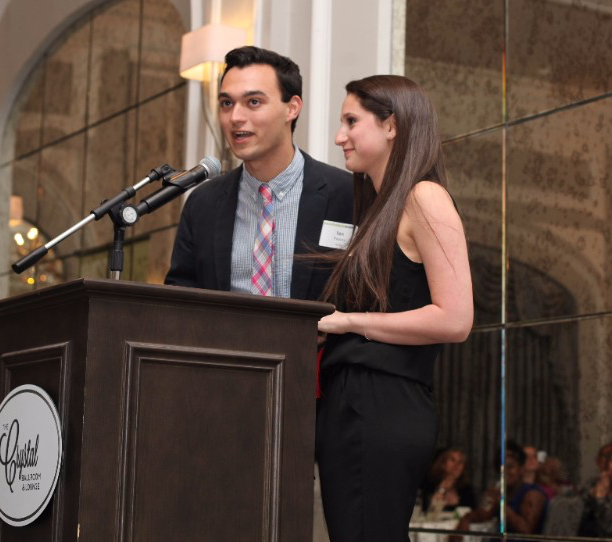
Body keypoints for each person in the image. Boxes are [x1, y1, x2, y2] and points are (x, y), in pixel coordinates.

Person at [314, 75, 473, 541]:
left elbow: (456, 318)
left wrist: (347, 322)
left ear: (392, 126)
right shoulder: (377, 207)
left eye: (350, 121)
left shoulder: (425, 197)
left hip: (381, 404)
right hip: (357, 402)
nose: (340, 136)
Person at [165, 46, 353, 301]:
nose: (235, 117)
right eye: (226, 103)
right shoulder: (203, 203)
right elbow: (180, 296)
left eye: (253, 102)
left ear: (292, 108)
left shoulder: (347, 195)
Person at [454, 440, 548, 540]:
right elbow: (482, 514)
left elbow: (525, 531)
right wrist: (465, 520)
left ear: (521, 469)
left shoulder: (533, 494)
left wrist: (500, 502)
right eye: (500, 467)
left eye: (510, 466)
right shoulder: (503, 491)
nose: (504, 472)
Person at [578, 444, 612, 538]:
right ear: (607, 463)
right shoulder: (592, 483)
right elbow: (576, 514)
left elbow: (611, 530)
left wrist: (600, 498)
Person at [420, 447, 477, 514]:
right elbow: (425, 510)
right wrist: (441, 489)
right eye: (452, 460)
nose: (456, 465)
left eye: (460, 462)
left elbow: (472, 513)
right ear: (443, 463)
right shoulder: (427, 483)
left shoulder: (465, 488)